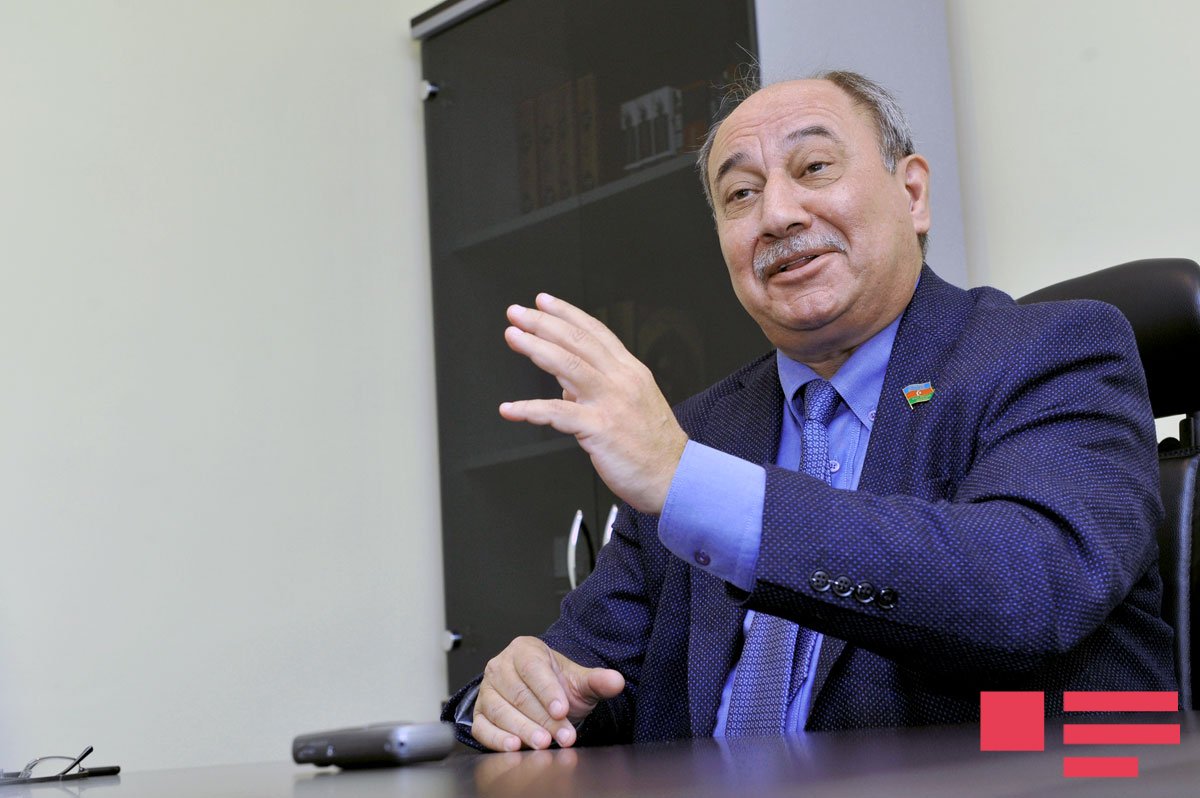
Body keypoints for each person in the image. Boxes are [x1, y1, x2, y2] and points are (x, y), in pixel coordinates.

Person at [441, 70, 1176, 752]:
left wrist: (691, 483)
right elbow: (596, 683)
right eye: (740, 194)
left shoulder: (1053, 350)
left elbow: (1028, 587)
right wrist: (513, 699)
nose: (777, 215)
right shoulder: (700, 432)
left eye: (815, 167)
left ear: (912, 193)